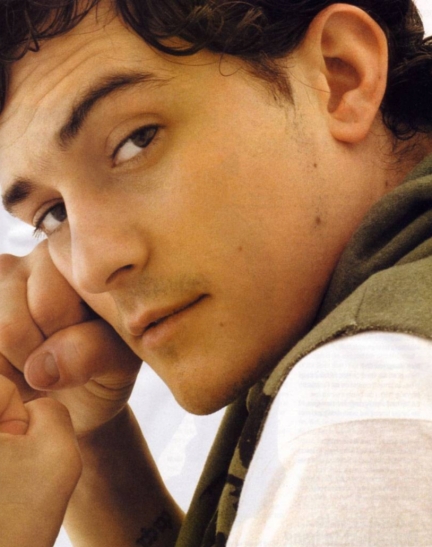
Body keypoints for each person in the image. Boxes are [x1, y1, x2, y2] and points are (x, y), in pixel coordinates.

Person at [0, 0, 431, 545]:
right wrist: (90, 441)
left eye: (136, 141)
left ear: (339, 76)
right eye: (53, 215)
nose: (91, 267)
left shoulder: (364, 407)